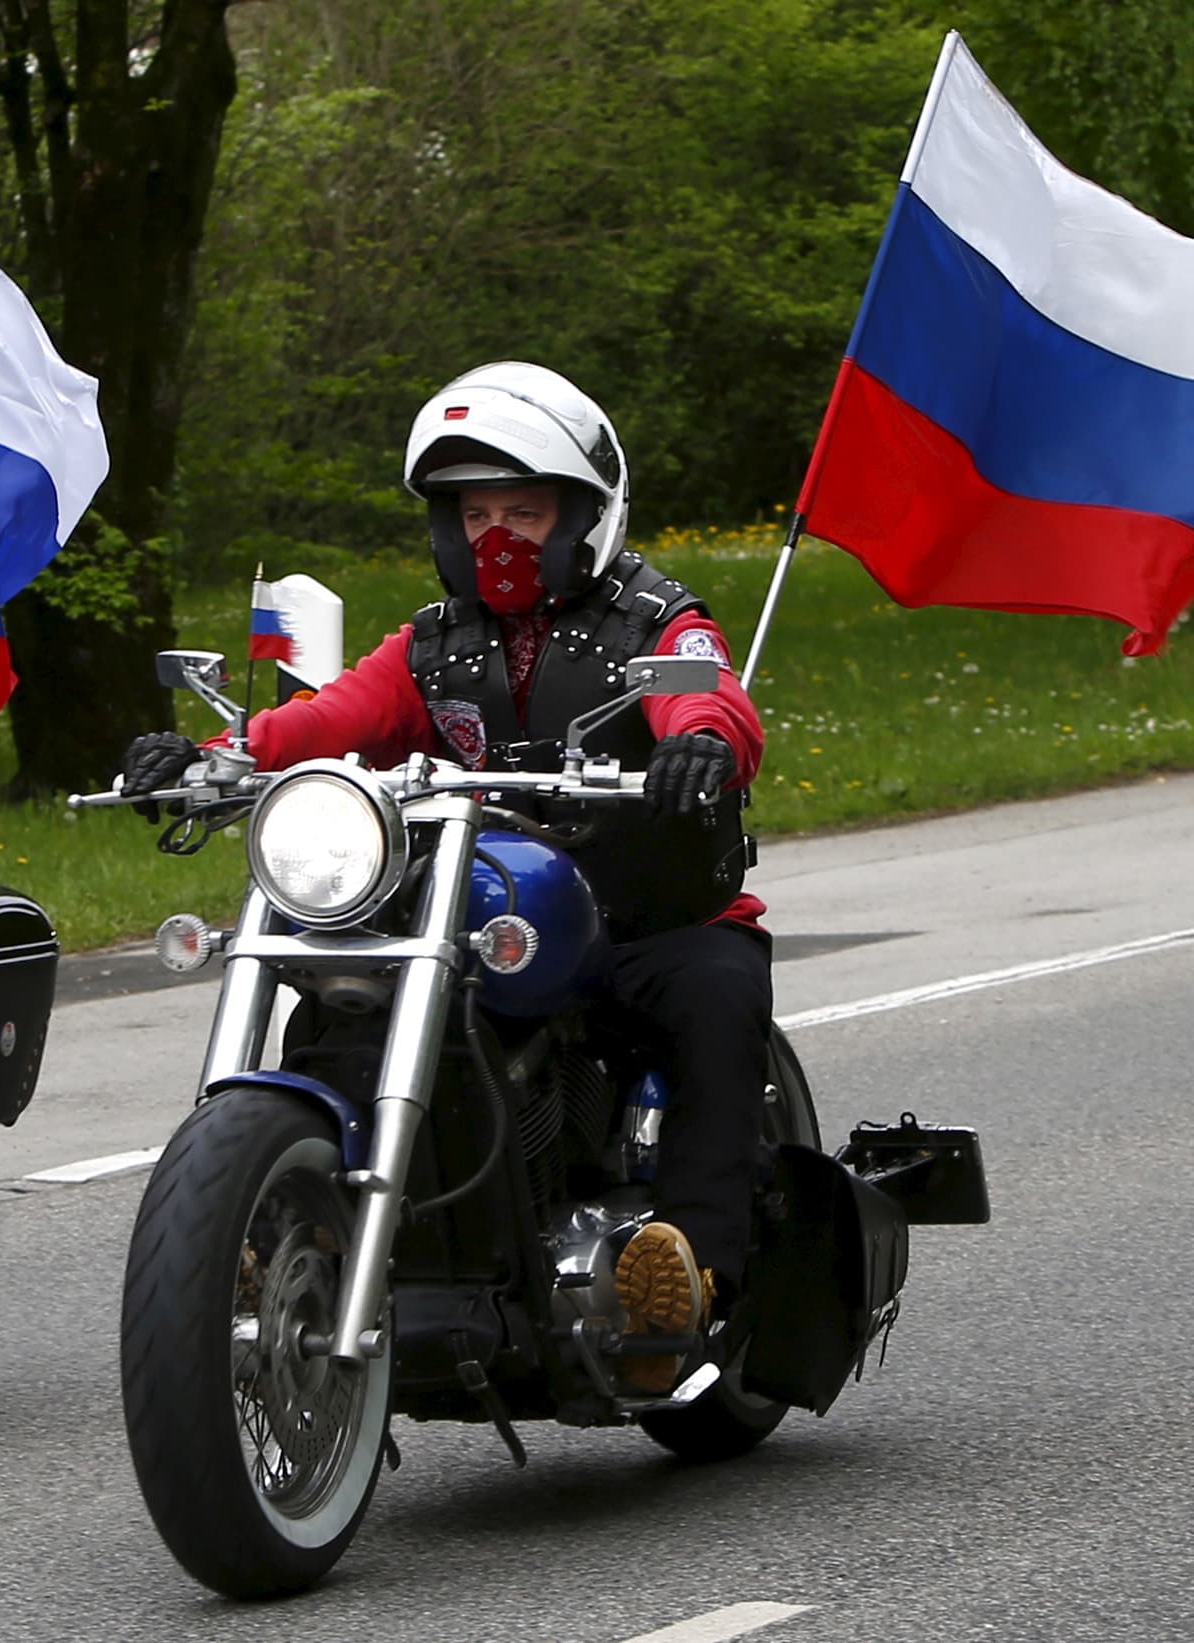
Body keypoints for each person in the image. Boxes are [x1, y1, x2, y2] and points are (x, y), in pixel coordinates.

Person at [119, 361, 768, 1376]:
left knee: (717, 997)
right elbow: (323, 721)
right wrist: (215, 756)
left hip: (642, 912)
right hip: (478, 908)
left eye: (523, 509)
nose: (496, 536)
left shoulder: (651, 620)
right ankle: (278, 1221)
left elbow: (708, 692)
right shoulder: (433, 647)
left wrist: (700, 741)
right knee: (337, 998)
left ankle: (690, 1278)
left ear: (582, 513)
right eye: (473, 514)